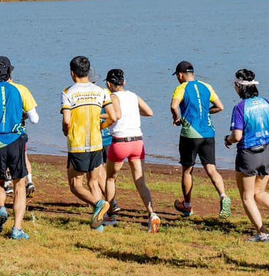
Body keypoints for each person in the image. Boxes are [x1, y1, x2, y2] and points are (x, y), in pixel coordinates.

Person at [0, 56, 39, 240]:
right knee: (19, 184)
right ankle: (17, 228)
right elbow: (35, 118)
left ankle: (2, 209)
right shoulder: (21, 89)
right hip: (15, 140)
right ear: (10, 72)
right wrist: (23, 114)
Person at [227, 69, 269, 241]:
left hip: (248, 154)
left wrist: (228, 140)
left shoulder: (240, 107)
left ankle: (262, 233)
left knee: (247, 197)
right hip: (267, 152)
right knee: (259, 192)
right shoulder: (266, 102)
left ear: (239, 86)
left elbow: (237, 136)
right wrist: (267, 139)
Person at [62, 56, 119, 230]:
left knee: (75, 185)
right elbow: (114, 116)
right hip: (96, 143)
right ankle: (98, 224)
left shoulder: (68, 92)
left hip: (78, 144)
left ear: (72, 73)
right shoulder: (101, 91)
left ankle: (99, 203)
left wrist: (66, 131)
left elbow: (66, 121)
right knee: (93, 182)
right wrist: (102, 126)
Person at [170, 60, 231, 219]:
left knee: (187, 169)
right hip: (208, 133)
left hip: (190, 134)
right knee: (211, 169)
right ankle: (223, 196)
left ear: (181, 75)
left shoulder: (181, 88)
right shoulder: (206, 86)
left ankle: (187, 206)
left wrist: (176, 118)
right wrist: (206, 113)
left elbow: (174, 105)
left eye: (177, 76)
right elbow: (220, 107)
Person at [103, 68, 161, 232]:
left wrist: (100, 120)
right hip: (137, 142)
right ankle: (152, 214)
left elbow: (116, 115)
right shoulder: (133, 96)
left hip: (120, 142)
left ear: (108, 84)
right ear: (124, 82)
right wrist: (134, 112)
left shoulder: (112, 97)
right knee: (140, 181)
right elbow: (149, 112)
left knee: (110, 179)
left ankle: (110, 215)